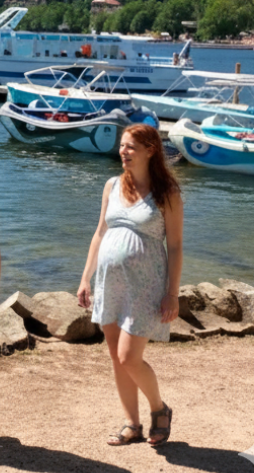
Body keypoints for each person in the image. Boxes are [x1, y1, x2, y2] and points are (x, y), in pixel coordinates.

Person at [77, 123, 184, 447]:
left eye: (130, 147)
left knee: (128, 357)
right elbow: (100, 233)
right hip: (111, 283)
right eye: (122, 146)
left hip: (145, 286)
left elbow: (176, 246)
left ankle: (159, 409)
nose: (123, 151)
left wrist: (172, 294)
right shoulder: (111, 186)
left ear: (151, 150)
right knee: (116, 356)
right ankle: (132, 424)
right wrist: (85, 278)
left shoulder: (167, 193)